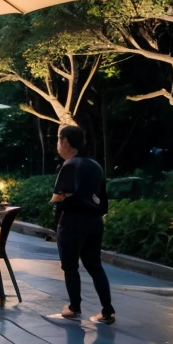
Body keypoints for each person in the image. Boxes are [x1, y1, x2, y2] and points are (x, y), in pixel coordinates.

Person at [50, 123, 115, 324]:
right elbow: (102, 199)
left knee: (70, 267)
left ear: (65, 142)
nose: (57, 145)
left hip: (72, 222)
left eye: (58, 140)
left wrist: (55, 200)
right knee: (95, 266)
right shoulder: (95, 165)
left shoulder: (71, 165)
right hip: (94, 222)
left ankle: (74, 308)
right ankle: (107, 311)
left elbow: (59, 196)